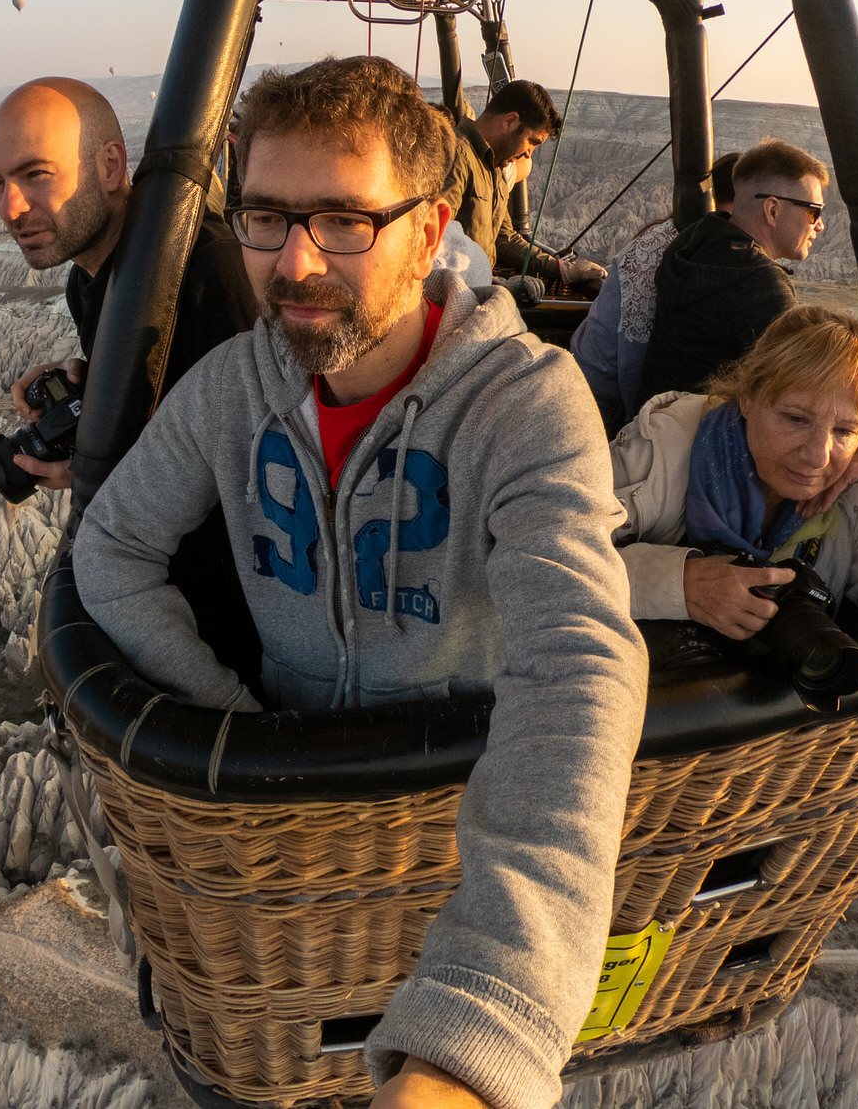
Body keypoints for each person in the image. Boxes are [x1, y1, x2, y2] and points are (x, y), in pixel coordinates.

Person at [72, 56, 646, 1109]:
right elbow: (110, 551)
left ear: (430, 231)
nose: (294, 262)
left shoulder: (525, 406)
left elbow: (576, 666)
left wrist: (493, 1022)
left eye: (344, 220)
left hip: (448, 816)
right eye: (264, 217)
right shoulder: (234, 387)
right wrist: (235, 733)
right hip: (293, 832)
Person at [611, 306, 858, 662]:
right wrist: (682, 583)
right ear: (747, 397)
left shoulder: (855, 500)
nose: (818, 456)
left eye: (844, 431)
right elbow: (557, 560)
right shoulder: (663, 451)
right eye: (796, 419)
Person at [0, 76, 256, 492]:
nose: (10, 208)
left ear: (109, 166)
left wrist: (103, 471)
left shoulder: (206, 268)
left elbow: (256, 455)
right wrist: (96, 382)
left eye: (35, 174)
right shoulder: (85, 281)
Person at [636, 138, 828, 405]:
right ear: (772, 210)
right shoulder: (761, 284)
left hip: (653, 423)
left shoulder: (695, 240)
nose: (819, 226)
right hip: (701, 437)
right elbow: (797, 389)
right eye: (813, 212)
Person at [573, 151, 740, 433]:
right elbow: (632, 360)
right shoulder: (668, 254)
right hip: (597, 400)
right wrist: (636, 431)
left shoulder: (675, 238)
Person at [437, 79, 606, 292]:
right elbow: (437, 242)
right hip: (454, 298)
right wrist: (491, 286)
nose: (528, 154)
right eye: (532, 142)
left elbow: (505, 239)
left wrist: (561, 269)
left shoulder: (495, 168)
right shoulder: (456, 156)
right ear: (510, 121)